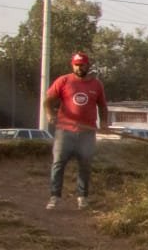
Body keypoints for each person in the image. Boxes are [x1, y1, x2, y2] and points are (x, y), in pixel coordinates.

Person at [44, 51, 108, 210]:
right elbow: (48, 101)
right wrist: (49, 114)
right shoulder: (64, 81)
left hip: (87, 133)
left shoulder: (96, 84)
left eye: (82, 65)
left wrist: (104, 123)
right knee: (58, 163)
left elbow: (102, 106)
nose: (79, 68)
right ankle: (54, 197)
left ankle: (82, 198)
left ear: (88, 65)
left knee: (85, 165)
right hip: (65, 131)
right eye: (76, 65)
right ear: (72, 65)